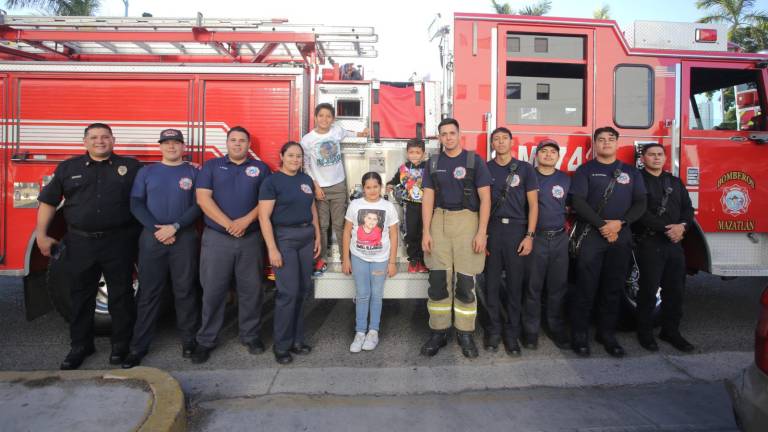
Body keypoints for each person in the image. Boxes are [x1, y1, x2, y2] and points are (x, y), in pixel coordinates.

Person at [36, 123, 141, 370]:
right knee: (80, 296)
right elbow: (49, 202)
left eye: (105, 137)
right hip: (80, 242)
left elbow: (149, 196)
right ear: (85, 142)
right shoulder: (68, 168)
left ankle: (120, 345)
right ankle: (80, 346)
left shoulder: (132, 167)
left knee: (122, 295)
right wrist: (41, 234)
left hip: (118, 241)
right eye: (94, 137)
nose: (100, 141)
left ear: (113, 141)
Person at [121, 129, 201, 368]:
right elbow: (136, 202)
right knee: (148, 293)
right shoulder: (147, 172)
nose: (171, 147)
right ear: (160, 147)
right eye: (167, 143)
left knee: (185, 290)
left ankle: (189, 340)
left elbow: (199, 204)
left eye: (176, 143)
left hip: (184, 238)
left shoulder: (193, 172)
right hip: (152, 238)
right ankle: (138, 347)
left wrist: (175, 227)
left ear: (183, 147)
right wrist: (157, 229)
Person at [191, 126, 271, 364]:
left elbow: (267, 201)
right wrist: (228, 224)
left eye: (242, 141)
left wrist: (245, 221)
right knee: (213, 291)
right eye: (233, 140)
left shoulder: (261, 169)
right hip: (217, 239)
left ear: (249, 145)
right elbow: (202, 198)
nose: (238, 144)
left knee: (251, 291)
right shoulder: (212, 166)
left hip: (250, 239)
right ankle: (206, 340)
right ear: (227, 143)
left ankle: (250, 335)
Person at [569, 126, 647, 358]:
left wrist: (620, 224)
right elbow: (578, 202)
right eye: (600, 139)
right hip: (592, 235)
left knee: (612, 288)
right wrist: (603, 225)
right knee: (585, 287)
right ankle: (580, 335)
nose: (605, 143)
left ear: (617, 143)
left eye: (610, 139)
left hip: (620, 236)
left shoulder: (631, 172)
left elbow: (640, 203)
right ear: (594, 144)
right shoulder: (586, 170)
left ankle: (607, 334)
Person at [420, 118, 492, 358]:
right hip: (439, 221)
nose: (448, 137)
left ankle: (465, 333)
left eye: (452, 133)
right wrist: (426, 231)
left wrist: (482, 232)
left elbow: (486, 199)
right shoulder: (433, 163)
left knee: (465, 282)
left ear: (460, 134)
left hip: (468, 223)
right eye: (443, 134)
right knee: (438, 281)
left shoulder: (475, 161)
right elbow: (428, 198)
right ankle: (438, 331)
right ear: (439, 138)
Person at [259, 142, 322, 365]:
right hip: (284, 239)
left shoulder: (305, 180)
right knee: (288, 293)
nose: (295, 159)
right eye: (291, 155)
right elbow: (264, 217)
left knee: (303, 291)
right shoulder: (272, 181)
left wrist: (318, 236)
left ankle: (297, 340)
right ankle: (282, 345)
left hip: (306, 238)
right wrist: (272, 248)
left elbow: (312, 209)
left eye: (299, 156)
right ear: (282, 156)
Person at [633, 143, 695, 352]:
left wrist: (683, 227)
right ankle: (644, 333)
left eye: (660, 154)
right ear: (643, 158)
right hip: (650, 242)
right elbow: (638, 212)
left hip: (674, 243)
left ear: (665, 157)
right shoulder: (637, 181)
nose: (656, 158)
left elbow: (688, 209)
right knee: (648, 291)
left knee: (675, 290)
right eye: (651, 155)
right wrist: (668, 228)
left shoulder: (675, 182)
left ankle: (671, 331)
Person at [482, 127, 539, 355]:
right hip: (492, 230)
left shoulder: (525, 169)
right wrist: (482, 234)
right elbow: (480, 204)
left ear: (512, 142)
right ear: (492, 144)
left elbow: (533, 205)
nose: (500, 142)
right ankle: (494, 332)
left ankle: (512, 334)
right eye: (496, 139)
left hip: (517, 230)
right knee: (492, 285)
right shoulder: (485, 168)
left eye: (504, 138)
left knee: (515, 287)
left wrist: (530, 235)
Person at [301, 103, 369, 275]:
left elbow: (348, 133)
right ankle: (321, 259)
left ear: (333, 119)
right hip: (320, 188)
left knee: (340, 225)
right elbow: (306, 165)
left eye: (328, 116)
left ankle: (346, 258)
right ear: (315, 117)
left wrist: (360, 133)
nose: (324, 119)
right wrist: (315, 186)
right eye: (321, 115)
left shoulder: (336, 131)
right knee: (322, 226)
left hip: (338, 184)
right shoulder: (307, 140)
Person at [342, 172, 399, 353]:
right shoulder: (355, 205)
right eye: (368, 187)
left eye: (375, 187)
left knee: (376, 295)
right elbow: (346, 232)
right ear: (363, 188)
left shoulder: (388, 207)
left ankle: (373, 331)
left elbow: (394, 234)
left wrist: (391, 262)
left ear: (380, 187)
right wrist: (345, 259)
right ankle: (360, 332)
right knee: (362, 294)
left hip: (380, 260)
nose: (372, 190)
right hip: (358, 257)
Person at [523, 139, 571, 350]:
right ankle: (531, 332)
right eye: (544, 151)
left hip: (560, 239)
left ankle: (556, 328)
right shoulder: (529, 176)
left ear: (558, 156)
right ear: (537, 155)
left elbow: (572, 206)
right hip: (537, 238)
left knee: (557, 287)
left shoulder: (565, 179)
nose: (548, 155)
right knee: (533, 287)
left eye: (553, 151)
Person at [386, 138, 428, 273]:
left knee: (424, 233)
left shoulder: (428, 167)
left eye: (417, 152)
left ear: (423, 153)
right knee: (411, 233)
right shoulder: (403, 168)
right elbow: (394, 180)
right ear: (407, 153)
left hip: (426, 206)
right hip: (410, 206)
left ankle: (423, 261)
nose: (414, 155)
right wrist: (390, 184)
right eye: (411, 152)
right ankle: (413, 260)